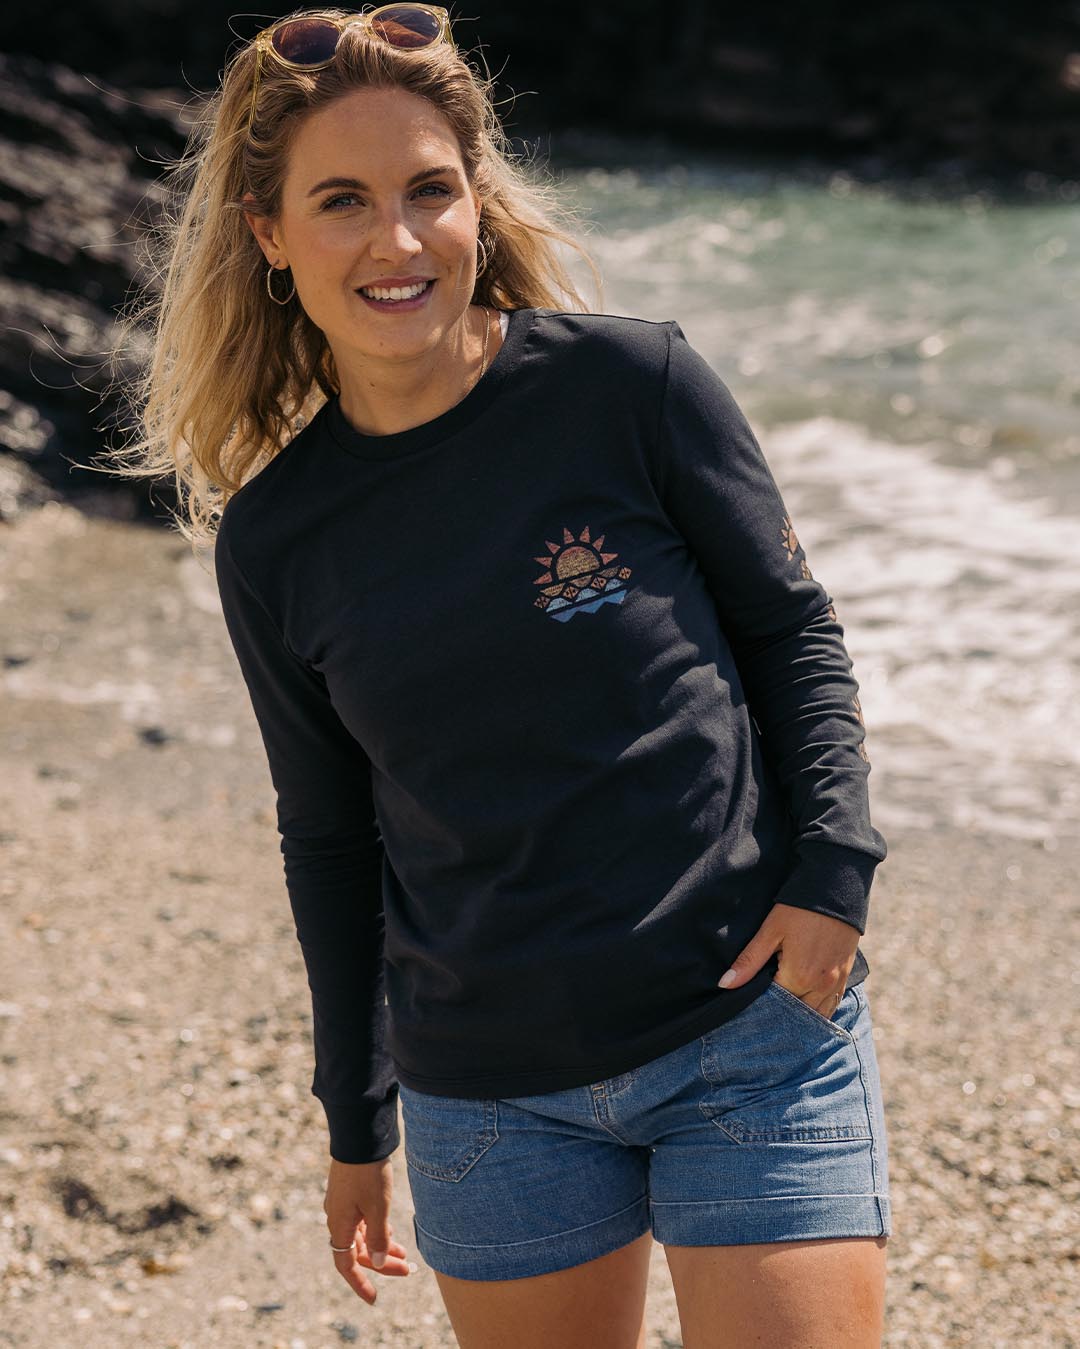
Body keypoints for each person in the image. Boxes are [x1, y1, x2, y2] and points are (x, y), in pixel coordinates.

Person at [113, 6, 892, 1345]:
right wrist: (354, 1121)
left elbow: (789, 632)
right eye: (342, 201)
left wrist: (834, 876)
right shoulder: (277, 540)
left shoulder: (631, 388)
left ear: (478, 197)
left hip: (748, 1030)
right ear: (268, 233)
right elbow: (330, 833)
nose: (398, 240)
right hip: (491, 1098)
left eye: (430, 190)